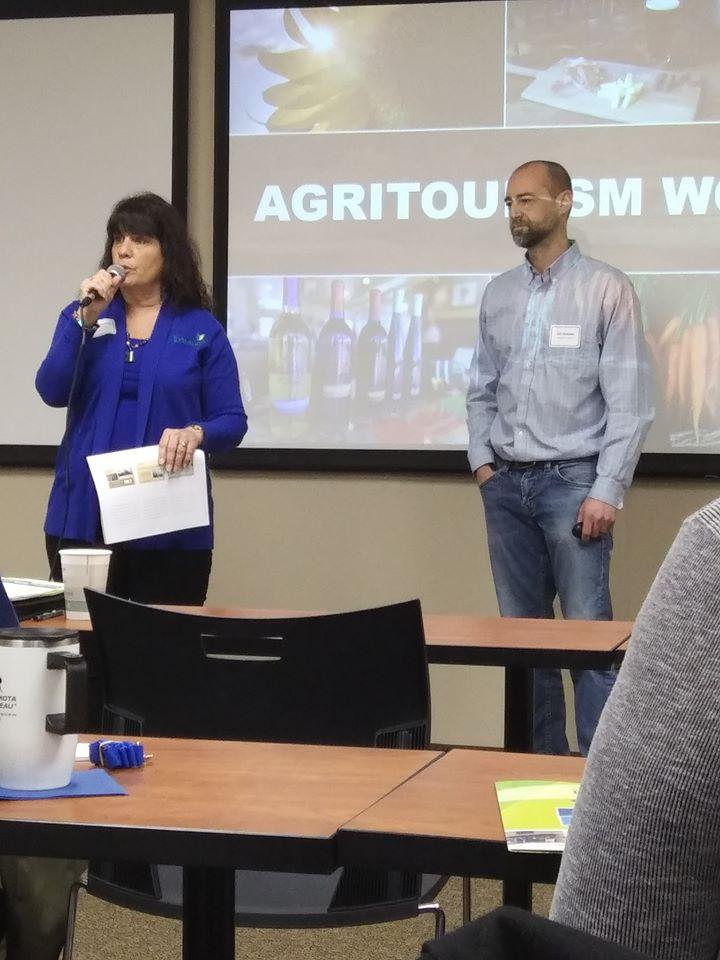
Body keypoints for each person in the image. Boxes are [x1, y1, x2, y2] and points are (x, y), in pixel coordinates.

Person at [466, 160, 653, 756]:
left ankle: (597, 782)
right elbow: (480, 389)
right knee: (522, 645)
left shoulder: (606, 288)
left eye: (527, 200)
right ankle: (535, 769)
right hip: (506, 485)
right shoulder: (498, 293)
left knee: (588, 640)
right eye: (508, 203)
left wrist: (608, 489)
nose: (515, 213)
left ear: (564, 202)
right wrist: (483, 464)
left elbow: (631, 401)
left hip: (575, 484)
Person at [37, 191, 247, 605]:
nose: (124, 250)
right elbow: (51, 390)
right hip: (83, 520)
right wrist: (84, 319)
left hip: (168, 525)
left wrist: (196, 432)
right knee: (85, 655)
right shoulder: (84, 316)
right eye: (118, 238)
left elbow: (232, 420)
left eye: (140, 240)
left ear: (167, 252)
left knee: (160, 659)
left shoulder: (201, 328)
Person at [551, 498, 720, 960]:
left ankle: (584, 759)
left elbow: (608, 919)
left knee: (586, 654)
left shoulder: (715, 548)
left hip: (579, 487)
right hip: (507, 474)